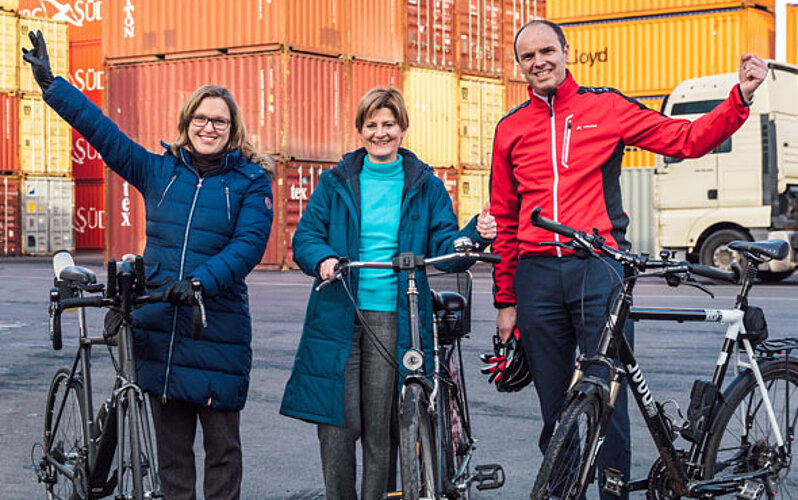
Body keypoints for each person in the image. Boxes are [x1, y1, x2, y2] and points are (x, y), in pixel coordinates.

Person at [490, 20, 766, 498]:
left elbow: (685, 139)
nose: (539, 62)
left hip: (597, 270)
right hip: (536, 277)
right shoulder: (510, 129)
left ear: (565, 51)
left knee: (608, 401)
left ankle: (611, 492)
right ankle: (560, 489)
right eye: (528, 57)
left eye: (547, 51)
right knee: (554, 409)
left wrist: (738, 98)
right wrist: (505, 300)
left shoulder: (607, 107)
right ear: (520, 66)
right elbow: (505, 218)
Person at [23, 31, 274, 499]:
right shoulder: (160, 171)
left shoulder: (251, 182)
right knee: (172, 461)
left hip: (215, 328)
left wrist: (199, 281)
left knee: (223, 455)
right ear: (187, 122)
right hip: (158, 328)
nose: (209, 127)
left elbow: (248, 247)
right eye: (201, 118)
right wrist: (53, 86)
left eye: (219, 121)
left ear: (233, 128)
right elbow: (105, 135)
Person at [279, 86, 496, 499]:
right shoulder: (337, 181)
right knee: (338, 428)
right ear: (360, 130)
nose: (380, 133)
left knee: (382, 431)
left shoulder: (426, 185)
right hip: (339, 313)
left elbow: (446, 250)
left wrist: (475, 236)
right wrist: (323, 258)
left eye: (389, 124)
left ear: (402, 128)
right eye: (372, 125)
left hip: (393, 316)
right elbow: (305, 236)